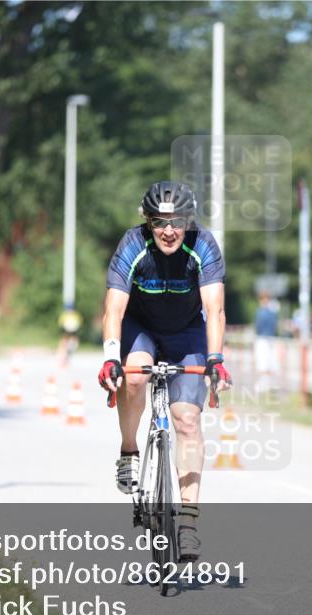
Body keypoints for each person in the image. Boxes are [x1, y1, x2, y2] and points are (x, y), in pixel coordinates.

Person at [98, 181, 230, 562]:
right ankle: (129, 449)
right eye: (159, 222)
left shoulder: (202, 244)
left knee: (187, 419)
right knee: (135, 374)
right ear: (147, 223)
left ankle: (187, 523)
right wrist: (111, 357)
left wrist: (215, 359)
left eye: (176, 222)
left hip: (187, 332)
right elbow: (114, 310)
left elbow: (215, 308)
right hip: (140, 327)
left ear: (188, 221)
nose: (168, 231)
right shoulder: (132, 245)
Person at [253, 292, 278, 393]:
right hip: (270, 338)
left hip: (262, 338)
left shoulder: (261, 312)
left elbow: (258, 326)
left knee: (262, 361)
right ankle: (268, 384)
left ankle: (263, 384)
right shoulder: (273, 312)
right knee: (269, 361)